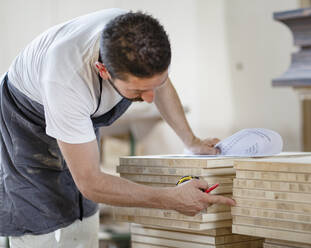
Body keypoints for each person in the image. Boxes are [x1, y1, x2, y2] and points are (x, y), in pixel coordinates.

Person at [0, 8, 235, 248]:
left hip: (75, 101)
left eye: (157, 83)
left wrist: (192, 141)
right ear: (103, 71)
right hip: (26, 116)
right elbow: (91, 182)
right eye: (138, 91)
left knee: (83, 210)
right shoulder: (66, 80)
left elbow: (160, 87)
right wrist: (171, 199)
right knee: (35, 210)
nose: (150, 98)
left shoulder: (139, 40)